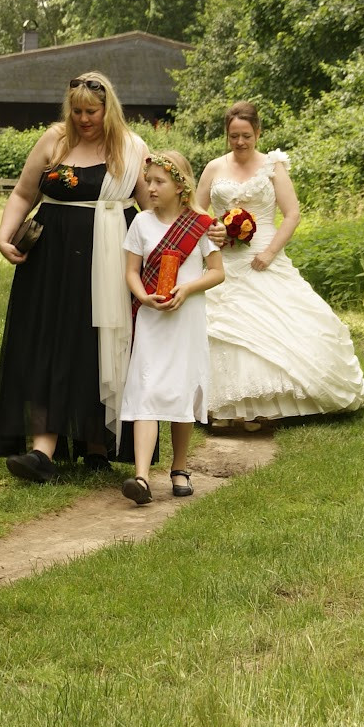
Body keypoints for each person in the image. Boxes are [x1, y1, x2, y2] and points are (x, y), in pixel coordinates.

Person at [0, 71, 151, 482]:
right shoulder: (54, 141)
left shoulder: (132, 149)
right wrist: (4, 234)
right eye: (77, 111)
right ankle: (43, 450)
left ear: (107, 109)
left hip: (110, 262)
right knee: (50, 341)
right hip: (51, 262)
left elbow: (154, 208)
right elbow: (24, 194)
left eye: (91, 112)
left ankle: (98, 444)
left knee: (98, 342)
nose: (83, 119)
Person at [197, 101, 364, 427]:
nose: (240, 143)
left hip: (264, 254)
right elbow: (195, 213)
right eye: (233, 136)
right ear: (226, 135)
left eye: (246, 136)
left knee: (280, 323)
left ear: (258, 132)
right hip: (226, 257)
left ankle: (263, 404)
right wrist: (211, 228)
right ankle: (221, 406)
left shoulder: (273, 166)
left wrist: (269, 253)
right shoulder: (213, 168)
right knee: (223, 328)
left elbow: (292, 214)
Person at [119, 151, 225, 505]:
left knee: (181, 390)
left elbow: (217, 272)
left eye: (158, 181)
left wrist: (187, 288)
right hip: (152, 318)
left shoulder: (201, 223)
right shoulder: (141, 224)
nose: (149, 187)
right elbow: (132, 271)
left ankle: (179, 468)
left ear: (180, 186)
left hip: (186, 320)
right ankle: (142, 477)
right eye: (148, 181)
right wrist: (143, 297)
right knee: (146, 389)